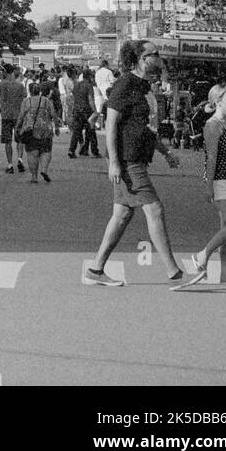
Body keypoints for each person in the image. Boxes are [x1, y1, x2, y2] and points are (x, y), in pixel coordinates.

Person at [84, 40, 183, 288]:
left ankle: (96, 269)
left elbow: (146, 128)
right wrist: (114, 162)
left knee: (122, 214)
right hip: (127, 160)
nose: (159, 58)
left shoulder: (144, 86)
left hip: (136, 157)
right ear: (141, 58)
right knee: (155, 209)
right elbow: (111, 123)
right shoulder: (125, 84)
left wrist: (165, 152)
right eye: (154, 54)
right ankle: (174, 271)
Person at [183, 84, 226, 289]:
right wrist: (209, 185)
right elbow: (210, 158)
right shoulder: (213, 125)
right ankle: (201, 256)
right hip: (220, 181)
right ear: (217, 102)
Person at [15, 79, 59, 183]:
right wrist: (56, 127)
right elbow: (54, 114)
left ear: (30, 91)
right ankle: (44, 169)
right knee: (46, 151)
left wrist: (17, 127)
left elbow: (21, 116)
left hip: (30, 131)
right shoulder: (46, 101)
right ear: (39, 91)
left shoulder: (26, 101)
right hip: (45, 130)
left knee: (32, 154)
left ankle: (34, 177)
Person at [0, 66, 26, 174]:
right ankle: (20, 159)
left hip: (6, 115)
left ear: (4, 72)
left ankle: (10, 165)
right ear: (12, 72)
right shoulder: (20, 85)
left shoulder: (0, 85)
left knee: (7, 141)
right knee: (20, 140)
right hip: (18, 115)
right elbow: (24, 99)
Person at [69, 69, 101, 159]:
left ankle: (72, 150)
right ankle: (94, 151)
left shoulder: (77, 85)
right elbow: (90, 99)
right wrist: (95, 111)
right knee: (91, 131)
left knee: (76, 131)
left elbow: (73, 97)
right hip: (86, 110)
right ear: (90, 77)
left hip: (77, 110)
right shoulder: (89, 85)